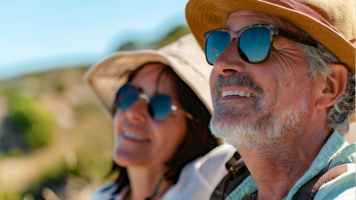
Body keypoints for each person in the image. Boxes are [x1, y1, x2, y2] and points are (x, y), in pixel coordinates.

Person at [185, 0, 355, 199]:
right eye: (221, 41)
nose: (221, 62)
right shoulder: (230, 189)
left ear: (329, 86)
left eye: (257, 39)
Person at [85, 34, 236, 200]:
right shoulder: (102, 196)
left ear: (196, 128)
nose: (133, 113)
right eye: (129, 95)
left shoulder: (208, 174)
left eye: (160, 104)